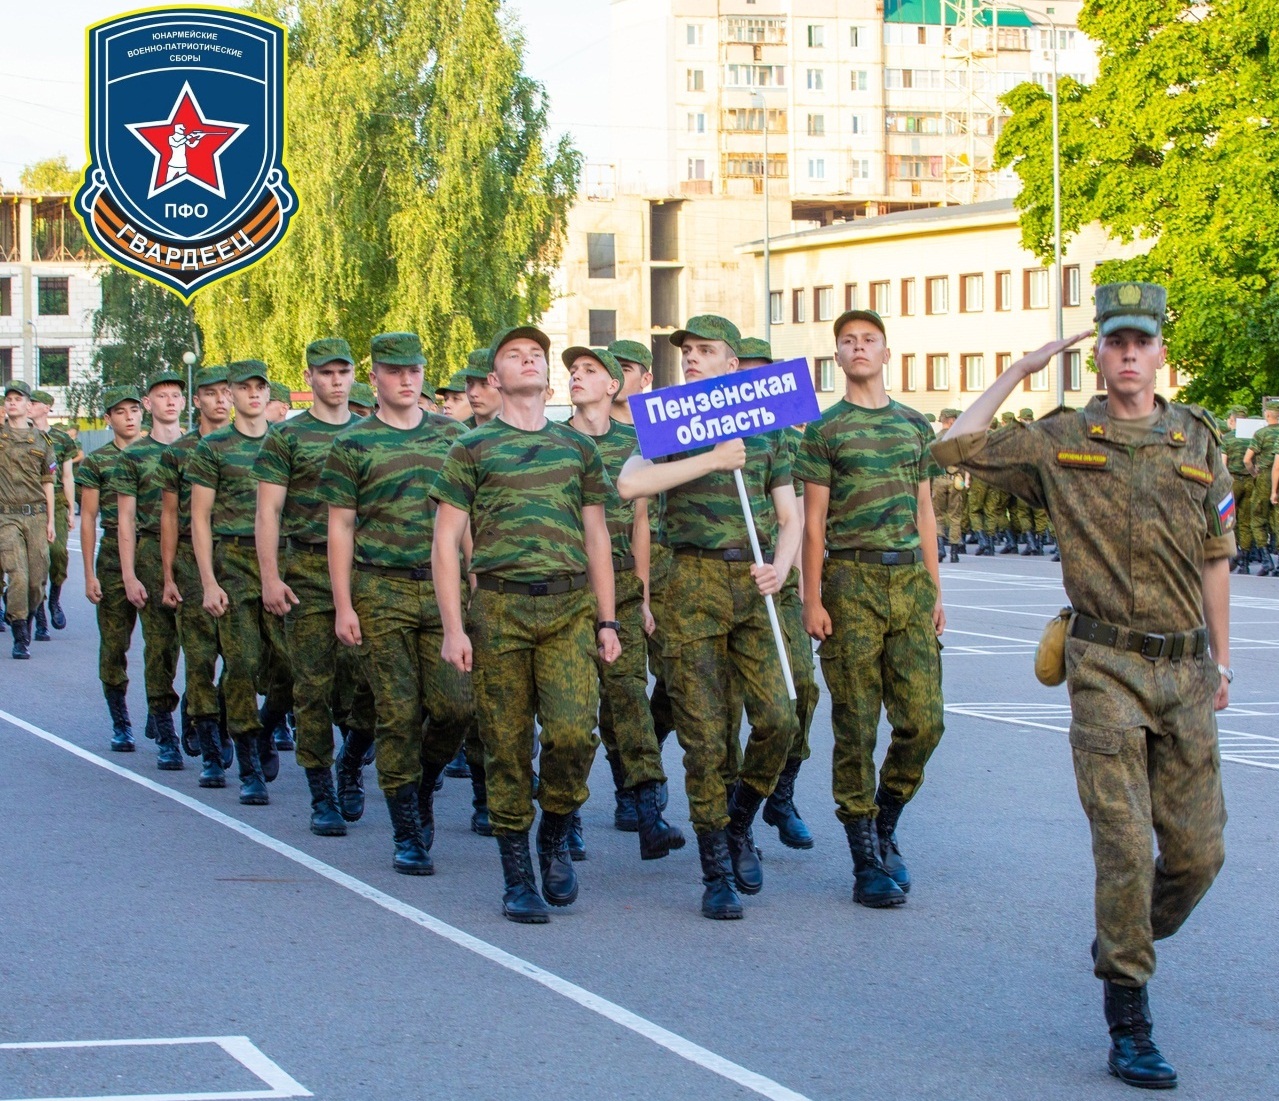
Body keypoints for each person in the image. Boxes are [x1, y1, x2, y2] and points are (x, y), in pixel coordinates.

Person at [934, 283, 1233, 1089]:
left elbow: (1216, 556)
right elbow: (954, 449)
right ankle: (1129, 1012)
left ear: (1159, 351)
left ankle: (1119, 937)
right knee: (1126, 847)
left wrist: (1222, 661)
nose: (1128, 354)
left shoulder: (1197, 440)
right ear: (1097, 353)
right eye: (1114, 342)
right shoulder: (1060, 436)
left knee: (1198, 856)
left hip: (1183, 668)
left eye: (1141, 341)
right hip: (1101, 666)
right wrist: (1021, 367)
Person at [433, 324, 619, 924]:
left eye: (537, 354)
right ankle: (518, 877)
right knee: (506, 745)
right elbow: (444, 542)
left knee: (572, 735)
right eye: (515, 355)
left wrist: (608, 620)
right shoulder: (471, 448)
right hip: (499, 611)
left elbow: (597, 537)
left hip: (568, 609)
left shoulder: (578, 450)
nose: (530, 361)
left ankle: (556, 832)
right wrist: (454, 627)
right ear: (495, 378)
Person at [617, 315, 800, 920]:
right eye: (686, 350)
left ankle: (742, 817)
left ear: (731, 363)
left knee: (780, 716)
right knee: (703, 735)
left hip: (752, 583)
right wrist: (710, 461)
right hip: (689, 582)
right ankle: (716, 865)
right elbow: (630, 483)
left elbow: (790, 515)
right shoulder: (669, 418)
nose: (692, 358)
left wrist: (781, 563)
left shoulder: (766, 429)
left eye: (705, 350)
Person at [796, 308, 946, 910]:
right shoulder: (824, 430)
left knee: (924, 720)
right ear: (837, 357)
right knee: (855, 724)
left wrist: (936, 592)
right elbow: (811, 523)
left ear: (887, 353)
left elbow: (927, 513)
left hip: (909, 582)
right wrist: (811, 598)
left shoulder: (915, 425)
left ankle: (885, 821)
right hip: (850, 581)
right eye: (848, 341)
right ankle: (865, 859)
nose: (859, 348)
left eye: (869, 340)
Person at [322, 332, 471, 872]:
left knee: (457, 705)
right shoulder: (353, 445)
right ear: (375, 376)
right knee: (399, 712)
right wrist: (344, 605)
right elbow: (340, 528)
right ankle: (406, 830)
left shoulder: (454, 437)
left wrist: (473, 578)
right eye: (395, 370)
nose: (408, 380)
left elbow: (465, 516)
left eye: (416, 370)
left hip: (442, 588)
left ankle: (425, 783)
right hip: (380, 587)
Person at [564, 344, 683, 860]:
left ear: (613, 385)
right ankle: (563, 813)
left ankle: (649, 808)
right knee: (572, 710)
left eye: (590, 370)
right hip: (566, 593)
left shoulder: (635, 446)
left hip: (624, 590)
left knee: (630, 696)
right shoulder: (552, 442)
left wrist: (644, 596)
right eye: (572, 371)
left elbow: (641, 525)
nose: (578, 376)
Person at [256, 338, 375, 836]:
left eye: (343, 372)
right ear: (308, 378)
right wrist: (269, 576)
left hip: (370, 572)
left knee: (373, 682)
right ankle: (322, 790)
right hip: (307, 571)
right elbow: (269, 510)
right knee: (313, 686)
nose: (335, 380)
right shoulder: (287, 437)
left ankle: (351, 760)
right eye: (325, 373)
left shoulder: (373, 433)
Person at [736, 336, 820, 852]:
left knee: (802, 690)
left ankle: (781, 793)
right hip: (719, 584)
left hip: (780, 584)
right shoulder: (702, 434)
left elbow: (806, 518)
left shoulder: (786, 437)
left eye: (761, 373)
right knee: (723, 710)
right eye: (744, 371)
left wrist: (808, 589)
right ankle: (731, 816)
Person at [187, 360, 280, 804]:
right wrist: (208, 580)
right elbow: (199, 518)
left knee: (291, 668)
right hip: (234, 562)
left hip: (283, 562)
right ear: (231, 394)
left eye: (260, 387)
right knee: (242, 664)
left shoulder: (286, 443)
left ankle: (265, 727)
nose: (253, 395)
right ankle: (248, 764)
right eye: (244, 388)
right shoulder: (214, 448)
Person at [607, 337, 674, 831]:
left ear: (643, 377)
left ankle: (643, 764)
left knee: (666, 685)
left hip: (662, 577)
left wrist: (647, 592)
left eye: (627, 366)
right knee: (617, 691)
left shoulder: (666, 429)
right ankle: (632, 785)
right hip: (595, 582)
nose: (618, 373)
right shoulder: (580, 437)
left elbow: (648, 522)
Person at [160, 366, 234, 786]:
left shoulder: (257, 446)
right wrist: (168, 575)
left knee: (246, 659)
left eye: (227, 392)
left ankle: (219, 712)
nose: (220, 400)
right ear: (197, 400)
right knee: (201, 655)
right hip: (191, 559)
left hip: (240, 559)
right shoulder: (179, 452)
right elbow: (170, 516)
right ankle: (209, 744)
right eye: (211, 393)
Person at [113, 371, 186, 769]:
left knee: (207, 647)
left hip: (194, 553)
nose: (171, 401)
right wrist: (129, 575)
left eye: (176, 395)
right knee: (160, 648)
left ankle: (199, 714)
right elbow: (125, 519)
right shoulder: (134, 457)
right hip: (150, 553)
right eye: (162, 396)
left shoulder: (199, 449)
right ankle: (165, 729)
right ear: (148, 404)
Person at [77, 387, 144, 746]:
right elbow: (88, 518)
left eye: (134, 409)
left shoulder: (160, 453)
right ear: (109, 419)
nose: (129, 417)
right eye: (121, 412)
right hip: (114, 559)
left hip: (154, 551)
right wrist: (89, 574)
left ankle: (166, 717)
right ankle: (121, 720)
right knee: (115, 643)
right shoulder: (98, 461)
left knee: (168, 643)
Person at [0, 380, 56, 659]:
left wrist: (51, 521)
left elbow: (48, 482)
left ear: (28, 405)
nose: (12, 402)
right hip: (6, 516)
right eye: (8, 398)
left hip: (36, 515)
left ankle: (27, 614)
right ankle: (20, 635)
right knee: (18, 574)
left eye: (18, 398)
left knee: (37, 581)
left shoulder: (42, 441)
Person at [26, 389, 76, 633]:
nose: (28, 406)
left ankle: (55, 597)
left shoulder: (62, 439)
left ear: (46, 408)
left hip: (56, 501)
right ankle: (41, 616)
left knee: (57, 553)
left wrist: (70, 508)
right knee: (36, 559)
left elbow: (67, 476)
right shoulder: (20, 435)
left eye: (33, 403)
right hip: (30, 502)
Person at [1243, 400, 1279, 574]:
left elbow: (1247, 459)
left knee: (1257, 519)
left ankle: (1266, 561)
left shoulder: (1261, 433)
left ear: (1267, 415)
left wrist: (1254, 473)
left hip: (1264, 475)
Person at [1220, 405, 1254, 572]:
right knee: (1247, 520)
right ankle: (1246, 563)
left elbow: (1223, 464)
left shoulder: (1226, 438)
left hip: (1232, 481)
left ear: (1232, 420)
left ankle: (1236, 554)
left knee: (1230, 520)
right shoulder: (1252, 438)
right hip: (1250, 481)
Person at [932, 409, 967, 564]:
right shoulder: (958, 439)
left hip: (938, 480)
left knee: (937, 515)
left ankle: (940, 548)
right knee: (955, 516)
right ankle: (954, 552)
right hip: (955, 480)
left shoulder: (935, 439)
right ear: (952, 420)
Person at [462, 349, 502, 427]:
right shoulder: (457, 434)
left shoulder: (526, 430)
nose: (473, 393)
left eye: (484, 384)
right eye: (469, 382)